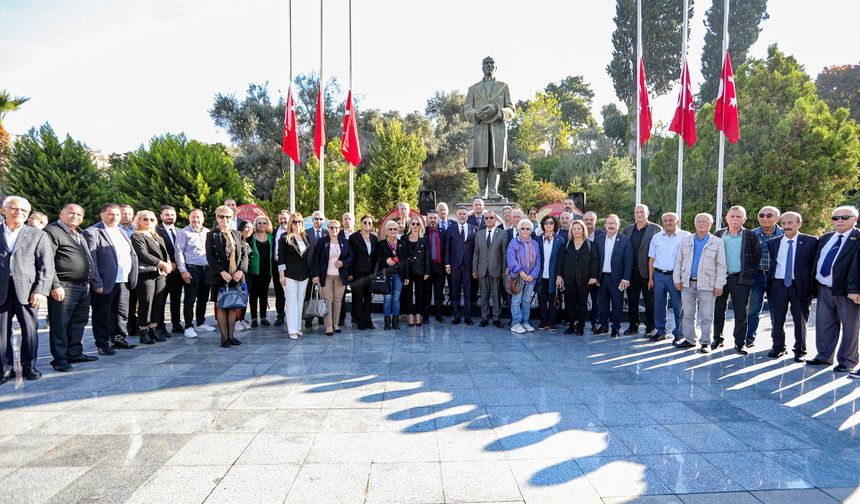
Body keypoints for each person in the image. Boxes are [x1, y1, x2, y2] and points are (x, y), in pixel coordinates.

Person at [0, 196, 53, 384]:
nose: (19, 213)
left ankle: (29, 367)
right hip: (2, 290)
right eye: (15, 209)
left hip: (28, 291)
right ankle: (5, 369)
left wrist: (40, 290)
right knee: (1, 332)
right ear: (4, 210)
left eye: (24, 211)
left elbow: (46, 265)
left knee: (30, 330)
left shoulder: (37, 235)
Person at [807, 205, 860, 372]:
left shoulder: (858, 238)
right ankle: (824, 356)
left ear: (855, 219)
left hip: (847, 291)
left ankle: (847, 361)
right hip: (824, 289)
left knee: (850, 327)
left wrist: (855, 289)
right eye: (835, 218)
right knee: (824, 325)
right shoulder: (826, 238)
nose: (839, 221)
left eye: (845, 217)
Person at [45, 204, 96, 372]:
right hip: (64, 286)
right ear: (62, 213)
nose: (75, 216)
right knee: (60, 324)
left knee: (78, 322)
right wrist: (55, 285)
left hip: (83, 287)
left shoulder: (78, 233)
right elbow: (47, 261)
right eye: (71, 212)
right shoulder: (52, 231)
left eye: (79, 214)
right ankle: (60, 359)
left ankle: (75, 352)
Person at [85, 203, 139, 354]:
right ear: (102, 215)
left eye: (117, 214)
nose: (114, 217)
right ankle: (102, 343)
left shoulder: (121, 230)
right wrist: (96, 281)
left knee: (121, 312)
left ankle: (118, 338)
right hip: (105, 281)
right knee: (102, 314)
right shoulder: (93, 232)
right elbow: (91, 260)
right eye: (110, 214)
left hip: (123, 280)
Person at [766, 212, 816, 361]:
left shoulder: (810, 241)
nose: (786, 226)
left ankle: (800, 350)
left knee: (800, 319)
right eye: (783, 223)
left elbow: (813, 265)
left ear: (798, 224)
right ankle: (778, 347)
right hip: (778, 284)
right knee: (777, 318)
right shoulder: (773, 243)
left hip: (799, 285)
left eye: (790, 223)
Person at [674, 213, 727, 353]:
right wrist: (677, 279)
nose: (701, 224)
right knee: (688, 314)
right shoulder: (686, 240)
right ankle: (690, 339)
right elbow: (678, 261)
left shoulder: (717, 242)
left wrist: (719, 285)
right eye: (698, 221)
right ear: (694, 223)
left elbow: (721, 265)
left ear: (710, 224)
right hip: (687, 283)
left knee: (707, 315)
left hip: (707, 284)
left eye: (705, 221)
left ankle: (705, 342)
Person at [464, 56, 515, 199]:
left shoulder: (504, 87)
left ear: (496, 68)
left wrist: (499, 112)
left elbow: (511, 110)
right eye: (486, 64)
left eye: (492, 64)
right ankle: (482, 191)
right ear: (482, 67)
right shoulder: (473, 89)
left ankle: (493, 191)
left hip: (497, 129)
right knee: (481, 161)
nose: (489, 66)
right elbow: (467, 109)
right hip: (480, 128)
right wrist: (476, 113)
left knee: (495, 161)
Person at [713, 206, 761, 354]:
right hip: (721, 278)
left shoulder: (750, 236)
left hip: (740, 279)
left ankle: (740, 342)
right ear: (726, 218)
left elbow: (756, 256)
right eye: (732, 216)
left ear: (744, 219)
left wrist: (749, 274)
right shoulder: (718, 234)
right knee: (719, 310)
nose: (735, 219)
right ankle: (717, 339)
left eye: (738, 217)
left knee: (741, 312)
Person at [207, 205, 249, 347]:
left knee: (232, 306)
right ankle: (224, 338)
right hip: (219, 276)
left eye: (228, 217)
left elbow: (244, 255)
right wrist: (222, 272)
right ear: (217, 218)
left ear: (232, 218)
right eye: (221, 216)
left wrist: (241, 271)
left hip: (236, 276)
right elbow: (210, 257)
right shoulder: (212, 235)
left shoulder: (237, 234)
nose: (225, 219)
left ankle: (231, 336)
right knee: (220, 306)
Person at [647, 212, 690, 343]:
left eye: (671, 220)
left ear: (677, 221)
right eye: (665, 220)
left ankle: (679, 333)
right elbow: (651, 259)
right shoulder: (656, 237)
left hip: (676, 276)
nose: (668, 222)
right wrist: (651, 278)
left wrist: (683, 278)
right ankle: (660, 331)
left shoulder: (685, 236)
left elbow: (688, 259)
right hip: (658, 275)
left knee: (678, 306)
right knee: (659, 305)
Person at [131, 210, 172, 345]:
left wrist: (167, 264)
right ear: (139, 221)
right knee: (146, 302)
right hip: (146, 274)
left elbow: (164, 253)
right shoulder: (137, 236)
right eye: (145, 219)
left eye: (151, 219)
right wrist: (161, 264)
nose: (148, 222)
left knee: (158, 302)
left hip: (160, 274)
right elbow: (143, 254)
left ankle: (153, 328)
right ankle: (143, 330)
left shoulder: (157, 236)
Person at [622, 204, 662, 336]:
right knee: (632, 301)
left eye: (642, 212)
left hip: (647, 272)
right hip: (631, 272)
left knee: (649, 301)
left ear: (648, 213)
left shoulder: (656, 229)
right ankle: (633, 325)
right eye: (636, 212)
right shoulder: (628, 230)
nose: (639, 214)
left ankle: (650, 327)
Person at [174, 208, 215, 338]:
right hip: (191, 270)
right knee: (190, 299)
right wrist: (183, 270)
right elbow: (179, 252)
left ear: (203, 219)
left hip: (206, 270)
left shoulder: (208, 232)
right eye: (193, 217)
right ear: (189, 218)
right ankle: (188, 326)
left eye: (198, 217)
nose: (196, 220)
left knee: (203, 299)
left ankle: (201, 322)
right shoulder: (184, 233)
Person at [748, 206, 783, 347]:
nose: (765, 218)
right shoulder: (751, 234)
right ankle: (749, 338)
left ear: (777, 218)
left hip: (776, 278)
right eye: (761, 215)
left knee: (777, 311)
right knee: (752, 310)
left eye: (769, 215)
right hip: (757, 276)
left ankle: (777, 342)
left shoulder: (784, 235)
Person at [556, 221, 598, 335]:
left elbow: (595, 262)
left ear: (583, 230)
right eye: (574, 229)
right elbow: (560, 261)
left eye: (579, 228)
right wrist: (559, 275)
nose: (576, 231)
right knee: (569, 303)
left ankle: (580, 326)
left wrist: (594, 276)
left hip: (584, 280)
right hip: (568, 279)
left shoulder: (590, 245)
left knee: (582, 303)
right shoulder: (566, 245)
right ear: (571, 231)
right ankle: (571, 325)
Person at [594, 215, 633, 337]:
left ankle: (615, 328)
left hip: (617, 278)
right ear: (605, 225)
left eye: (614, 223)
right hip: (601, 278)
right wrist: (595, 276)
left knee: (617, 304)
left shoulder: (625, 240)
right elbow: (594, 260)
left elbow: (628, 261)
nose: (611, 225)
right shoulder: (598, 239)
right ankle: (603, 326)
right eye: (609, 223)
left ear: (618, 226)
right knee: (602, 303)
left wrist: (626, 278)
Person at [312, 219, 352, 336]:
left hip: (340, 276)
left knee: (338, 301)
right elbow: (316, 259)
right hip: (326, 277)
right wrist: (316, 275)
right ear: (327, 228)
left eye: (336, 227)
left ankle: (336, 324)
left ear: (339, 229)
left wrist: (343, 263)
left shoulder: (345, 241)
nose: (334, 230)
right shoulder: (322, 241)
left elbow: (350, 257)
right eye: (331, 227)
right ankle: (328, 326)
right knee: (327, 301)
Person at [278, 213, 311, 340]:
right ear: (290, 223)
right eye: (295, 222)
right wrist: (282, 274)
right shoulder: (284, 238)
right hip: (289, 274)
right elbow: (281, 257)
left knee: (300, 301)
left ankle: (297, 327)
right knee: (291, 301)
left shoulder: (306, 237)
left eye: (300, 222)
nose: (298, 224)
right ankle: (292, 329)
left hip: (304, 274)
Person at [472, 210, 508, 327]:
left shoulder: (502, 233)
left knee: (496, 295)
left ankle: (496, 318)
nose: (488, 220)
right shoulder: (479, 234)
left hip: (496, 269)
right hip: (482, 269)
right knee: (484, 295)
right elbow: (476, 253)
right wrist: (474, 269)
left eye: (491, 218)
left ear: (495, 219)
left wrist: (504, 270)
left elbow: (504, 253)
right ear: (484, 219)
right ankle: (484, 318)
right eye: (486, 218)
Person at [507, 218, 540, 334]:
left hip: (530, 279)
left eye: (528, 228)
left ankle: (525, 321)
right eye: (523, 228)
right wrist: (521, 272)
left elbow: (538, 261)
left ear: (531, 230)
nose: (525, 230)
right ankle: (516, 323)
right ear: (518, 230)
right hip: (518, 277)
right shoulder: (513, 242)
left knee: (526, 301)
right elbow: (511, 259)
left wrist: (532, 275)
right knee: (516, 301)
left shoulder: (535, 244)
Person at [445, 207, 477, 325]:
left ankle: (468, 317)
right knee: (455, 292)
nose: (462, 216)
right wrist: (447, 263)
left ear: (467, 216)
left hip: (468, 266)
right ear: (456, 215)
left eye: (464, 214)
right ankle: (456, 316)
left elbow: (476, 250)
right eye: (460, 214)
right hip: (454, 266)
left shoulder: (474, 229)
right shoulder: (451, 230)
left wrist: (475, 266)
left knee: (468, 293)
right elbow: (447, 248)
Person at [156, 205, 184, 335]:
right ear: (161, 216)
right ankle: (160, 326)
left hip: (177, 271)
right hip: (163, 270)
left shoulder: (180, 231)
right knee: (161, 299)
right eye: (167, 215)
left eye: (172, 215)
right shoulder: (156, 230)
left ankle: (176, 323)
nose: (170, 217)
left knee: (176, 298)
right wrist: (168, 263)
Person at [348, 214, 378, 330]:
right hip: (357, 272)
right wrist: (350, 273)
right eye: (365, 222)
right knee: (358, 298)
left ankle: (368, 321)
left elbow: (375, 257)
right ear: (361, 223)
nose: (367, 225)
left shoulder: (374, 238)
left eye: (369, 223)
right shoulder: (354, 237)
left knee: (368, 298)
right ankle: (360, 322)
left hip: (370, 273)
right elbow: (351, 256)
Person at [536, 215, 565, 331]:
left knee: (553, 299)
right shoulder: (537, 239)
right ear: (543, 225)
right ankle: (543, 321)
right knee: (541, 298)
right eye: (546, 223)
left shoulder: (560, 240)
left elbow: (561, 260)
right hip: (541, 275)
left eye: (551, 223)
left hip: (554, 275)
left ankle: (552, 322)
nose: (548, 225)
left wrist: (559, 275)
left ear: (555, 225)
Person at [401, 215, 430, 327]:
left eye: (418, 224)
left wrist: (427, 272)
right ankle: (410, 316)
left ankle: (418, 315)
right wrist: (404, 273)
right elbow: (403, 257)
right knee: (408, 294)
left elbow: (427, 256)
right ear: (409, 225)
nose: (415, 226)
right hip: (408, 271)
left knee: (419, 294)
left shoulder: (424, 238)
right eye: (413, 224)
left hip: (420, 270)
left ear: (421, 225)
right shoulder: (404, 238)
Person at [378, 220, 406, 330]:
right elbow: (377, 260)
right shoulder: (381, 244)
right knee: (387, 299)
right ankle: (387, 322)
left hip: (399, 275)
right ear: (386, 231)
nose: (393, 231)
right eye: (390, 229)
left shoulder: (402, 244)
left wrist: (406, 276)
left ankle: (395, 322)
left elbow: (405, 261)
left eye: (395, 229)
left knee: (396, 298)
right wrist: (385, 261)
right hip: (386, 275)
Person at [246, 215, 274, 327]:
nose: (262, 225)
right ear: (255, 225)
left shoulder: (271, 237)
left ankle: (263, 317)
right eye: (259, 223)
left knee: (264, 294)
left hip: (267, 270)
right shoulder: (251, 237)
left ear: (268, 225)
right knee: (253, 294)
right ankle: (253, 318)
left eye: (264, 223)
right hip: (254, 270)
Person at [423, 211, 447, 323]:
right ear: (427, 219)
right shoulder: (423, 232)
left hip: (440, 267)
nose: (433, 219)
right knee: (426, 294)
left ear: (438, 219)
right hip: (427, 268)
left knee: (439, 293)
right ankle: (426, 316)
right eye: (431, 218)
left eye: (435, 218)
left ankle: (439, 315)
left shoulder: (443, 233)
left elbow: (446, 250)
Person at [304, 210, 326, 328]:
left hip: (324, 270)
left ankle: (322, 317)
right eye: (316, 219)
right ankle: (308, 318)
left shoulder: (328, 233)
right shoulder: (305, 233)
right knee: (309, 295)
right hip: (308, 270)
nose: (318, 221)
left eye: (321, 219)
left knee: (322, 295)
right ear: (312, 220)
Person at [118, 203, 137, 330]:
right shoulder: (114, 229)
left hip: (136, 269)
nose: (127, 216)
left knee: (134, 298)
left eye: (130, 213)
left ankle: (132, 324)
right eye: (124, 213)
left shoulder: (136, 229)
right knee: (122, 300)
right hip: (120, 269)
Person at [271, 210, 291, 326]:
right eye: (281, 219)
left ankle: (293, 315)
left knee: (291, 292)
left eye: (285, 218)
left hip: (289, 266)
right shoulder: (274, 231)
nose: (283, 221)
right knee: (278, 291)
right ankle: (280, 315)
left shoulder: (292, 231)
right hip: (276, 265)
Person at [235, 221, 254, 331]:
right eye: (246, 227)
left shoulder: (248, 242)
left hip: (248, 274)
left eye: (251, 228)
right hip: (239, 273)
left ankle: (241, 319)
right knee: (238, 297)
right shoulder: (237, 240)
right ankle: (236, 321)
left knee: (244, 297)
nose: (248, 229)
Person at [337, 213, 355, 328]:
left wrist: (352, 272)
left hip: (355, 269)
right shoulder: (338, 235)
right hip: (342, 269)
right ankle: (341, 317)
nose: (347, 221)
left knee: (356, 295)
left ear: (353, 221)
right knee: (341, 296)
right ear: (342, 222)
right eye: (345, 219)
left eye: (350, 219)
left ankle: (355, 316)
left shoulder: (358, 234)